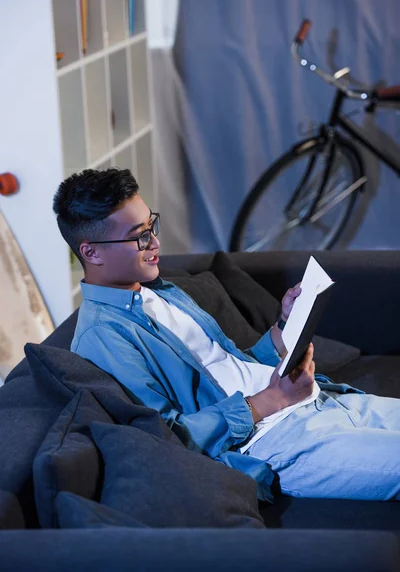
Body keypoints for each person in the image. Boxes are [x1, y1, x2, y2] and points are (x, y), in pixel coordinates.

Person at [53, 168, 400, 502]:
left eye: (152, 225)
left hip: (320, 401)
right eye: (139, 235)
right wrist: (274, 400)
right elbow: (167, 438)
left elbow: (229, 366)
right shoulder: (103, 336)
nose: (155, 242)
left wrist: (284, 328)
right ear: (91, 252)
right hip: (273, 439)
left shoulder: (160, 291)